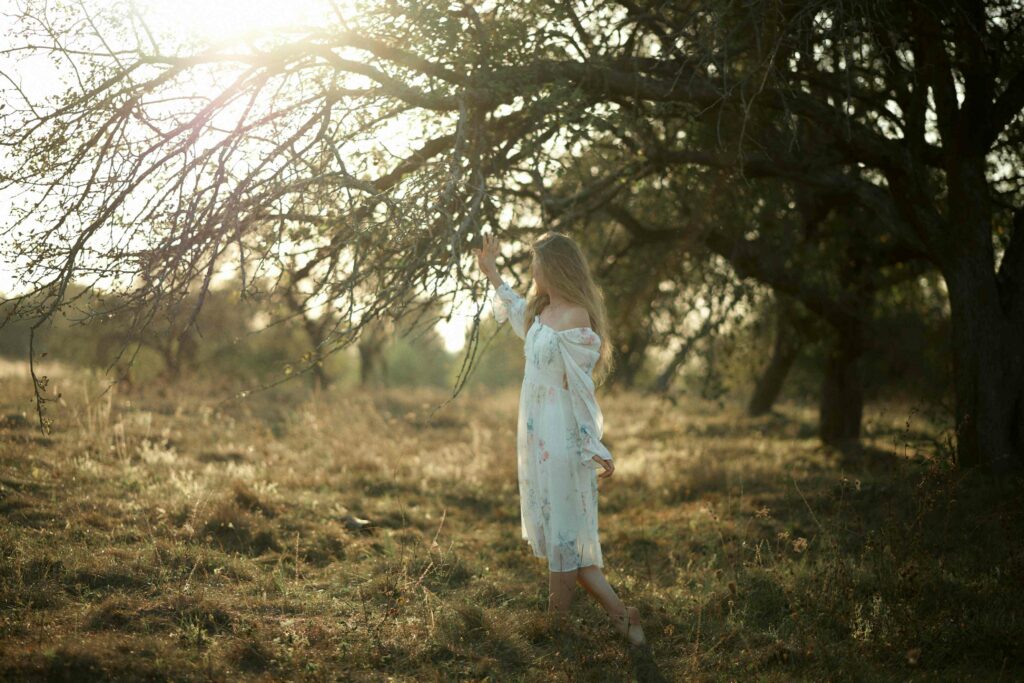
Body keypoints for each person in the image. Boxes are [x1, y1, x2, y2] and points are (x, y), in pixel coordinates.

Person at [474, 231, 646, 647]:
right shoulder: (542, 311)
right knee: (560, 536)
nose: (532, 271)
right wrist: (491, 271)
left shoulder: (576, 319)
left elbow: (582, 391)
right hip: (537, 435)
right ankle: (620, 619)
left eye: (536, 264)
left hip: (562, 434)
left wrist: (594, 443)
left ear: (554, 268)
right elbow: (515, 310)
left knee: (566, 538)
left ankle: (560, 628)